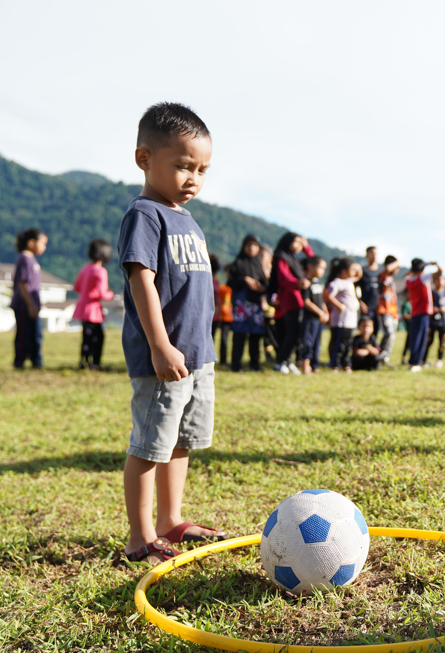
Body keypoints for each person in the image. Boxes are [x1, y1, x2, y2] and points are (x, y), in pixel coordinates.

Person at [118, 102, 226, 564]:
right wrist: (160, 344)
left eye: (201, 169)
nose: (193, 179)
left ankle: (171, 520)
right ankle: (140, 538)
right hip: (164, 358)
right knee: (150, 445)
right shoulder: (145, 214)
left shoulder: (189, 220)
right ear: (144, 159)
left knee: (181, 441)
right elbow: (141, 277)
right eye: (183, 166)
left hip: (197, 357)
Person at [270, 232, 314, 375]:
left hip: (297, 299)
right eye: (296, 242)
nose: (299, 246)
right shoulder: (281, 258)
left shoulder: (294, 259)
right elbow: (283, 279)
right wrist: (298, 283)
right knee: (292, 333)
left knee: (296, 333)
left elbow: (314, 262)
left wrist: (307, 248)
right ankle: (281, 361)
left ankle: (288, 361)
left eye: (301, 243)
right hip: (289, 300)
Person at [72, 238, 116, 370]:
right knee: (98, 337)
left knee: (86, 337)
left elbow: (77, 287)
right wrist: (111, 294)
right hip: (93, 309)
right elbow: (103, 294)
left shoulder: (85, 268)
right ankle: (95, 363)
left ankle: (83, 361)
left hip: (82, 307)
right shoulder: (100, 271)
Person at [229, 234, 267, 372]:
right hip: (242, 306)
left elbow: (265, 284)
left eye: (255, 245)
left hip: (256, 305)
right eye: (249, 245)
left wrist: (262, 288)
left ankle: (254, 364)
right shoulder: (238, 263)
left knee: (256, 336)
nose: (252, 248)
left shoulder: (259, 265)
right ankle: (236, 365)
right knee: (239, 335)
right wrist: (245, 279)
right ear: (243, 246)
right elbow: (231, 282)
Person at [10, 228, 48, 369]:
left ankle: (35, 360)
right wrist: (30, 305)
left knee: (35, 334)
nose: (44, 247)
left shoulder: (30, 259)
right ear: (31, 243)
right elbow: (22, 284)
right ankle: (19, 362)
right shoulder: (25, 259)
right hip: (24, 305)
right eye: (43, 243)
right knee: (23, 335)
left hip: (31, 305)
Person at [404, 258, 441, 372]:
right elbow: (439, 272)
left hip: (415, 312)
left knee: (415, 337)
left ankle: (413, 361)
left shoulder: (408, 280)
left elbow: (407, 274)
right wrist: (433, 264)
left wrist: (420, 266)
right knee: (421, 338)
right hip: (424, 312)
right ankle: (416, 362)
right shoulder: (423, 278)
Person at [325, 257, 361, 372]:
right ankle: (335, 364)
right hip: (340, 321)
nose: (354, 272)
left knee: (347, 344)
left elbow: (358, 276)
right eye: (352, 269)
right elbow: (327, 295)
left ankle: (346, 364)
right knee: (338, 344)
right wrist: (339, 306)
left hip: (350, 321)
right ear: (343, 271)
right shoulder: (337, 283)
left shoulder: (349, 282)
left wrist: (357, 268)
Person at [299, 256, 329, 374]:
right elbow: (306, 302)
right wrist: (320, 312)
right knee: (308, 342)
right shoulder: (306, 283)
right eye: (321, 268)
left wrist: (325, 312)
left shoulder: (318, 283)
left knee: (317, 343)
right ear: (310, 267)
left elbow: (321, 301)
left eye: (324, 269)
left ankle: (314, 365)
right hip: (309, 319)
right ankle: (305, 366)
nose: (323, 271)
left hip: (319, 320)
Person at [375, 254, 402, 363]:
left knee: (392, 336)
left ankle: (385, 358)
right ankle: (381, 356)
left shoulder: (391, 279)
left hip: (393, 312)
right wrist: (398, 262)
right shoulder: (384, 276)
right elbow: (387, 269)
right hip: (384, 310)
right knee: (389, 333)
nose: (398, 269)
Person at [427, 271, 445, 368]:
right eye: (437, 280)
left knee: (442, 341)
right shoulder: (430, 293)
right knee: (429, 341)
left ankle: (439, 359)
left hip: (444, 322)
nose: (439, 282)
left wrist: (444, 309)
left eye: (441, 279)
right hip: (432, 322)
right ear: (433, 282)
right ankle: (424, 359)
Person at [209, 255, 232, 367]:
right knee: (212, 338)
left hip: (215, 314)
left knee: (213, 338)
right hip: (215, 314)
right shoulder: (215, 281)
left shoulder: (214, 280)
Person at [357, 246, 380, 337]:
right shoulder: (363, 271)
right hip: (367, 307)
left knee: (376, 328)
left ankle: (373, 348)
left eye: (376, 254)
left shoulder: (381, 272)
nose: (374, 256)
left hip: (379, 307)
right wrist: (360, 302)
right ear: (367, 255)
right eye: (372, 253)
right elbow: (356, 288)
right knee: (366, 329)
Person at [399, 291, 412, 364]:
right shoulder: (406, 304)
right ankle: (404, 359)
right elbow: (404, 315)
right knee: (408, 344)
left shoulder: (412, 303)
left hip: (414, 327)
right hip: (410, 328)